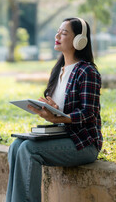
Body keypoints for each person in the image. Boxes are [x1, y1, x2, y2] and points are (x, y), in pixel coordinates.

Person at [6, 17, 102, 202]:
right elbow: (63, 112)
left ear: (79, 40)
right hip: (62, 136)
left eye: (64, 33)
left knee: (28, 149)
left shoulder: (87, 71)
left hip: (84, 142)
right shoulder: (59, 70)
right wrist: (52, 110)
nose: (57, 35)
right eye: (58, 31)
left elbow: (89, 113)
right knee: (15, 147)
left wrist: (59, 118)